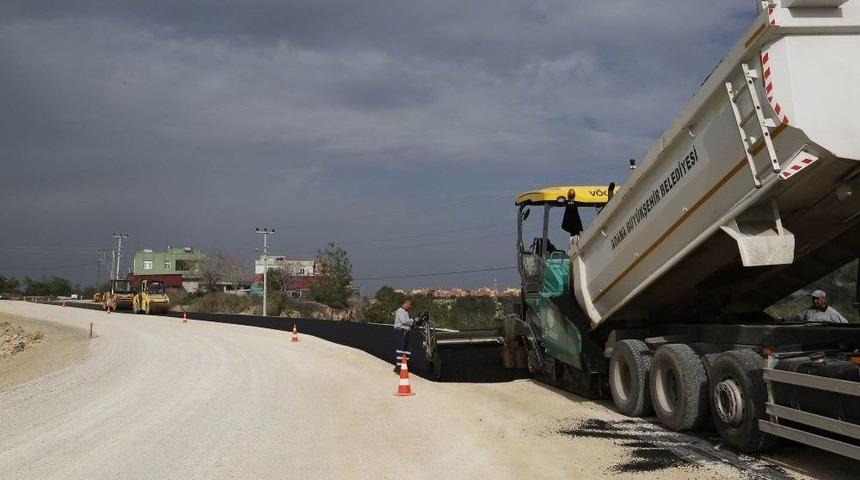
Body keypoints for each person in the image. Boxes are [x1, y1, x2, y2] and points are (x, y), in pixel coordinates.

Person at [393, 299, 416, 373]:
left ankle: (404, 365)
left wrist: (414, 322)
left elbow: (409, 322)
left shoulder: (406, 312)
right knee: (400, 349)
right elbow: (404, 321)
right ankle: (399, 367)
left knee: (407, 350)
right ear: (406, 303)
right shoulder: (400, 310)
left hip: (406, 332)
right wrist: (413, 320)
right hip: (401, 331)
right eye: (410, 305)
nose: (410, 307)